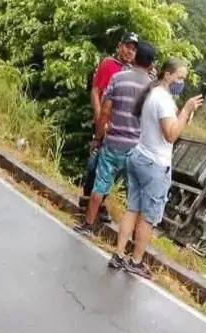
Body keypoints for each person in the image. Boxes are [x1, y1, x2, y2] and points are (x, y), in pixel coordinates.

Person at [110, 58, 204, 278]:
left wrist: (186, 113)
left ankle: (119, 254)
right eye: (179, 77)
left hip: (139, 155)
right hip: (154, 164)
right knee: (148, 217)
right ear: (167, 75)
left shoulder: (153, 94)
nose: (182, 82)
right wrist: (186, 109)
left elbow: (171, 126)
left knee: (133, 209)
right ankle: (136, 260)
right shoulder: (164, 100)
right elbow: (170, 134)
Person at [74, 41, 155, 236]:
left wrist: (98, 137)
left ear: (135, 57)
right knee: (134, 196)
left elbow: (105, 111)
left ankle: (88, 225)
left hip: (113, 142)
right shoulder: (153, 89)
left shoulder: (118, 78)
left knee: (100, 184)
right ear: (151, 64)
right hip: (136, 149)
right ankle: (130, 241)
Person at [79, 32, 139, 216]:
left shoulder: (134, 73)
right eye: (127, 46)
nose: (130, 51)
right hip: (102, 122)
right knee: (94, 162)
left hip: (119, 129)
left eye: (134, 49)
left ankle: (99, 202)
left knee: (112, 168)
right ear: (119, 46)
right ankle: (87, 197)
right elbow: (96, 91)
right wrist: (99, 119)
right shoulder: (108, 64)